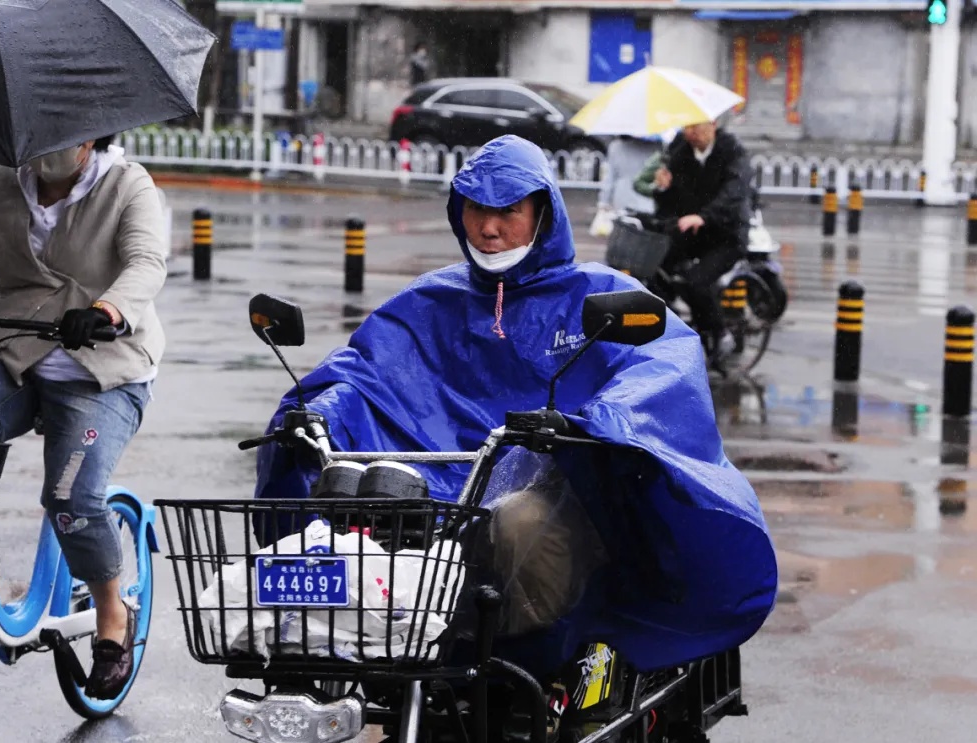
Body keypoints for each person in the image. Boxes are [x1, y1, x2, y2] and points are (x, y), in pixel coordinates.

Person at [254, 135, 776, 739]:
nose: (489, 227)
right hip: (442, 494)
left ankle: (549, 665)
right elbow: (364, 373)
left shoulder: (589, 295)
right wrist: (317, 413)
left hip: (560, 494)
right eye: (476, 209)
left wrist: (596, 420)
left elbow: (663, 365)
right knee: (347, 506)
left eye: (508, 211)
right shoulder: (430, 302)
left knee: (518, 523)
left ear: (543, 213)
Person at [0, 135, 167, 700]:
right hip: (15, 355)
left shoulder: (127, 185)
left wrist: (106, 309)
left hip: (103, 368)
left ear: (93, 135)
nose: (49, 148)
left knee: (70, 497)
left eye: (67, 136)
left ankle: (112, 613)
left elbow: (146, 264)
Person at [647, 119, 753, 358]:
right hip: (693, 232)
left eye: (696, 126)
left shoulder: (732, 151)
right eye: (687, 127)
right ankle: (672, 327)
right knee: (654, 269)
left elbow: (734, 192)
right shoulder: (679, 152)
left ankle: (719, 332)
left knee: (697, 282)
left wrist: (704, 216)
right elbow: (671, 201)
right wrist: (663, 188)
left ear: (713, 124)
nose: (691, 133)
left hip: (727, 234)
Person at [589, 135, 662, 238]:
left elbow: (610, 179)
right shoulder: (657, 147)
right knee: (646, 237)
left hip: (622, 199)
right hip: (647, 200)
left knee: (624, 236)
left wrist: (603, 202)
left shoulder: (616, 147)